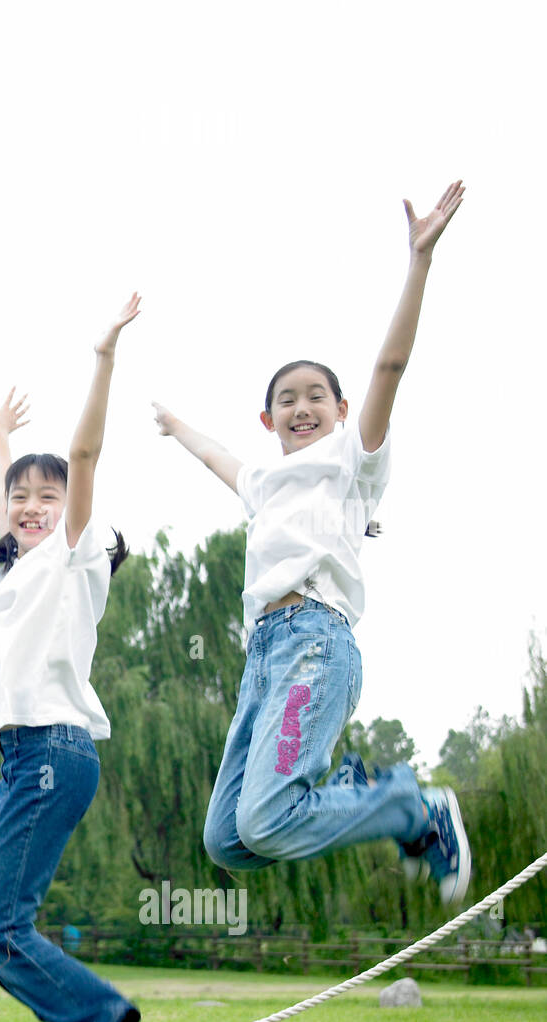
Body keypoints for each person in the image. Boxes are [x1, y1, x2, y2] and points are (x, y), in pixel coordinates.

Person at [153, 181, 471, 902]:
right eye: (286, 399)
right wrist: (175, 427)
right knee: (228, 839)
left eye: (314, 396)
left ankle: (412, 808)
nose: (301, 406)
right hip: (264, 657)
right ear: (267, 420)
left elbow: (390, 367)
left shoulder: (352, 461)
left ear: (340, 410)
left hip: (314, 643)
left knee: (265, 820)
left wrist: (418, 262)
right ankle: (360, 792)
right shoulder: (266, 481)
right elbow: (216, 457)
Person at [0, 297, 148, 1022]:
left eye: (47, 495)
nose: (31, 506)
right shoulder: (18, 569)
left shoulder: (74, 554)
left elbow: (85, 452)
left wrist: (101, 357)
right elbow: (11, 501)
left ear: (71, 507)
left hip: (53, 752)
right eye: (19, 497)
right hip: (26, 759)